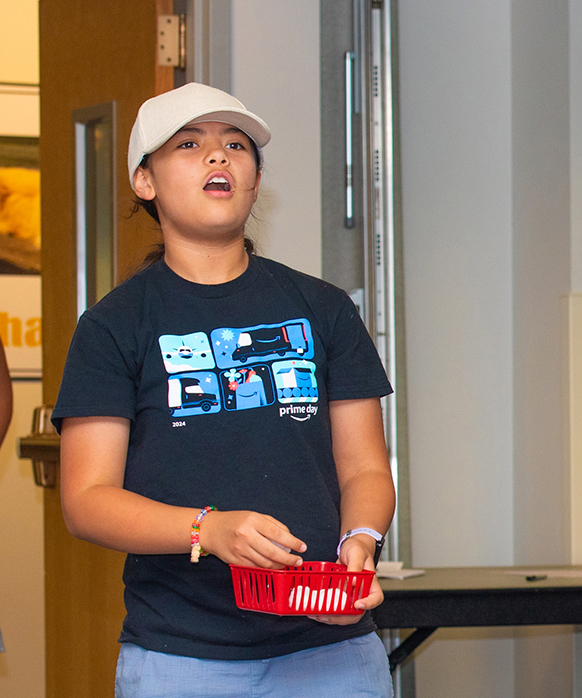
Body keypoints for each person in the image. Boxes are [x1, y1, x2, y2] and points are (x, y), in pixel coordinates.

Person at [51, 83, 395, 697]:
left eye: (235, 145)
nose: (219, 157)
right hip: (181, 658)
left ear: (255, 179)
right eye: (189, 144)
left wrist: (359, 543)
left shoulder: (323, 308)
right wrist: (206, 530)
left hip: (333, 652)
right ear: (144, 181)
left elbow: (366, 466)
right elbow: (87, 499)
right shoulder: (113, 325)